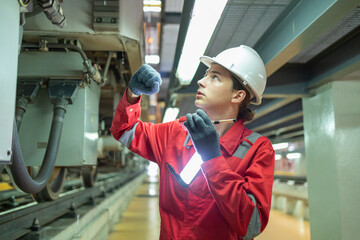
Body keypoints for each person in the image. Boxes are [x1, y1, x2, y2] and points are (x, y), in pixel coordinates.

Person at [111, 45, 275, 240]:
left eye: (215, 77)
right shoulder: (176, 132)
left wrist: (213, 158)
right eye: (206, 74)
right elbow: (124, 130)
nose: (200, 81)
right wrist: (133, 93)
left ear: (238, 95)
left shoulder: (257, 149)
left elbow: (251, 224)